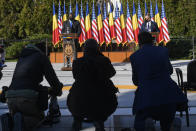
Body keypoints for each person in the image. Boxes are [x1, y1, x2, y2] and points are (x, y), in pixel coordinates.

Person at [130, 32, 187, 131]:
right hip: (168, 95)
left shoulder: (134, 56)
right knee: (167, 121)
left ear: (139, 43)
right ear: (152, 41)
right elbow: (170, 71)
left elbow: (135, 81)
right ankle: (170, 125)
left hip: (146, 98)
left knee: (139, 122)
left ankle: (145, 123)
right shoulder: (163, 51)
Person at [5, 42, 63, 130]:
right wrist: (58, 90)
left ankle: (9, 120)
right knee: (38, 119)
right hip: (27, 98)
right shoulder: (41, 57)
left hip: (10, 98)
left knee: (19, 114)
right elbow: (53, 80)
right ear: (43, 52)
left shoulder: (21, 58)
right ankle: (23, 122)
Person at [67, 39, 118, 131]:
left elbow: (76, 76)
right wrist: (101, 58)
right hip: (101, 103)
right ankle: (99, 123)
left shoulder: (77, 62)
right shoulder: (103, 60)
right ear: (97, 48)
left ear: (85, 49)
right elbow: (112, 73)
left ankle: (77, 122)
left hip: (78, 103)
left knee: (75, 98)